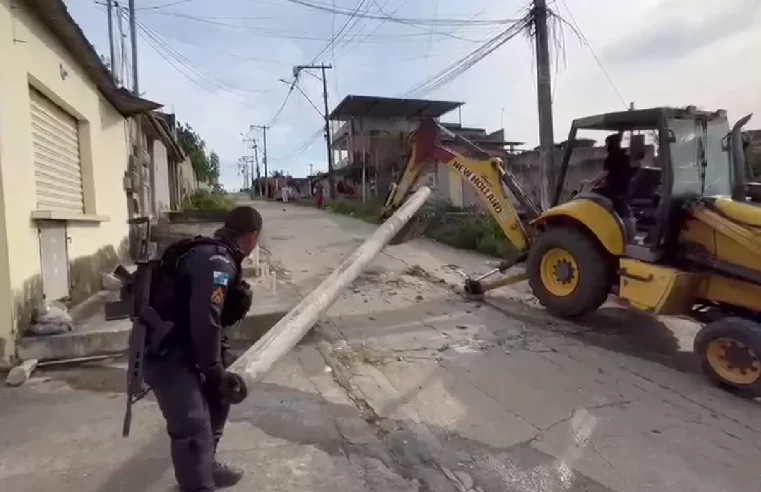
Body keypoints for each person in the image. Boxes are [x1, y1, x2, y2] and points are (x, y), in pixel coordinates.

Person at [144, 206, 262, 492]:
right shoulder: (218, 262)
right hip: (167, 352)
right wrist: (213, 370)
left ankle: (206, 467)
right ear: (253, 236)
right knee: (193, 429)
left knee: (220, 396)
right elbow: (206, 319)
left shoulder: (215, 254)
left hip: (186, 345)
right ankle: (198, 484)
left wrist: (219, 372)